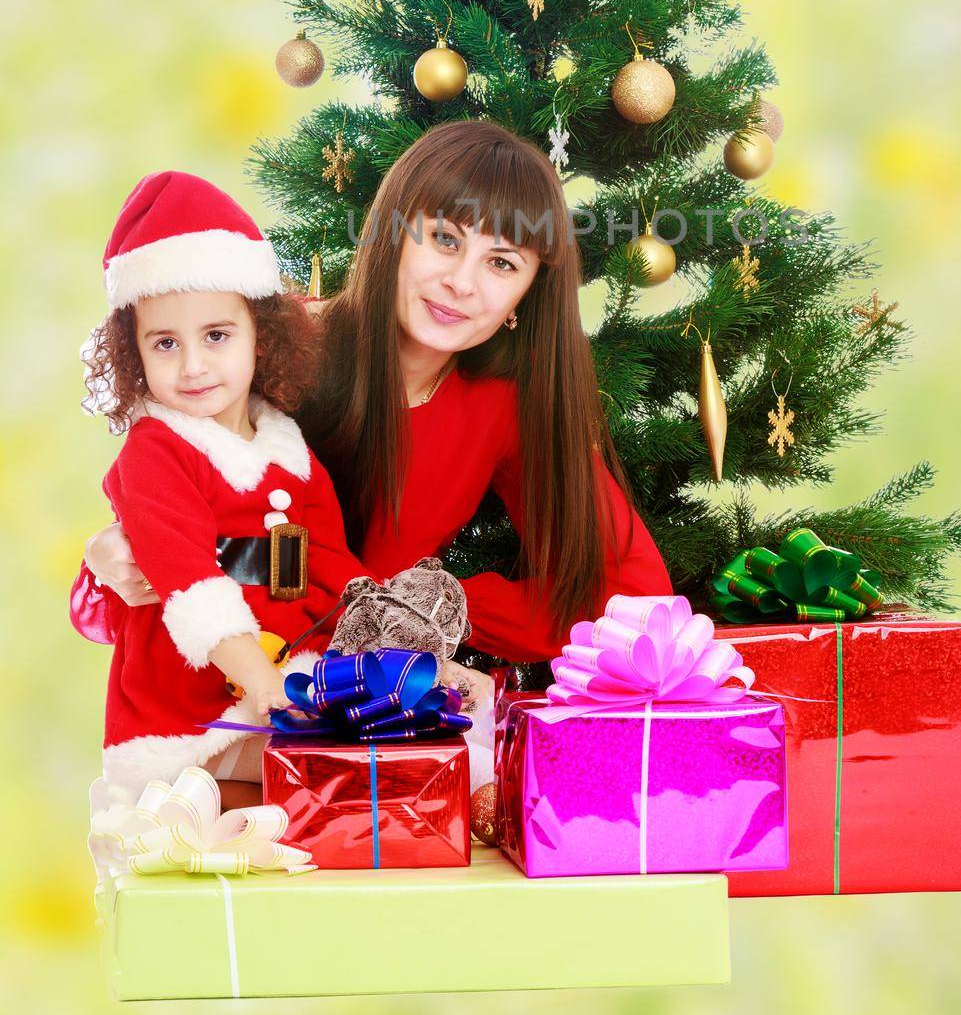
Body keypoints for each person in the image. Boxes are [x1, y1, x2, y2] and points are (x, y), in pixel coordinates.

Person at [74, 122, 672, 682]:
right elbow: (150, 524)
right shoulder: (272, 353)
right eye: (443, 240)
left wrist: (441, 605)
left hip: (370, 699)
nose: (462, 283)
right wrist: (107, 562)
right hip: (218, 693)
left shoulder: (505, 405)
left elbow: (637, 596)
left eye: (501, 263)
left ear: (525, 294)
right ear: (394, 236)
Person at [82, 170, 368, 801]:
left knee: (347, 775)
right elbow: (186, 574)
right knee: (316, 784)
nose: (193, 366)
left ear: (260, 336)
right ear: (134, 354)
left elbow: (333, 567)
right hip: (189, 704)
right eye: (165, 344)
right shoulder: (155, 448)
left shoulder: (290, 453)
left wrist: (375, 648)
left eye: (216, 336)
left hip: (287, 678)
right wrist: (262, 682)